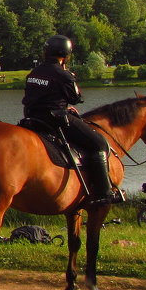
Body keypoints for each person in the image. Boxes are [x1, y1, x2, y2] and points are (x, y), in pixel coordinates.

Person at [22, 35, 121, 207]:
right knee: (99, 143)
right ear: (66, 54)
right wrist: (70, 76)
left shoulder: (34, 73)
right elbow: (76, 98)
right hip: (55, 119)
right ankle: (104, 193)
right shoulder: (63, 74)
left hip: (32, 118)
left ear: (46, 52)